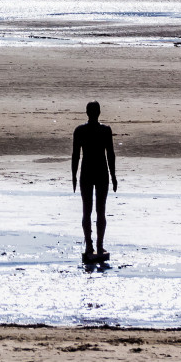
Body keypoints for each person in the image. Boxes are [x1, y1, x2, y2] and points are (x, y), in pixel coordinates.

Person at [71, 100, 117, 262]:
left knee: (89, 210)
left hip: (89, 173)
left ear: (87, 112)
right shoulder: (103, 130)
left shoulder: (81, 130)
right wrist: (113, 176)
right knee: (98, 210)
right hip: (99, 172)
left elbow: (76, 156)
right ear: (98, 112)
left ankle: (93, 245)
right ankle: (94, 245)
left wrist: (74, 176)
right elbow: (110, 155)